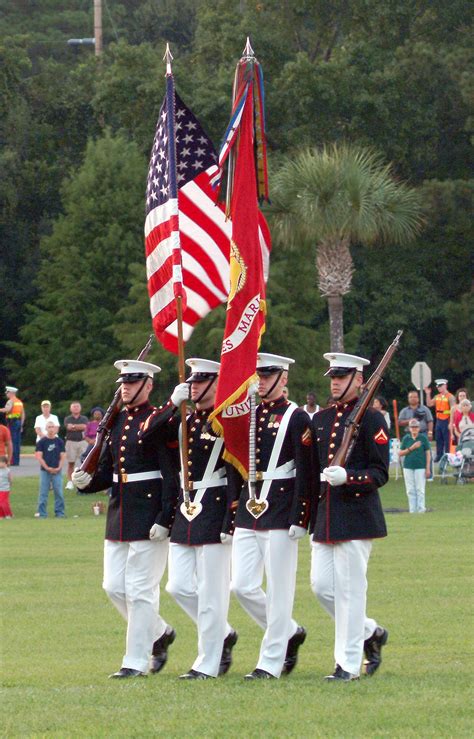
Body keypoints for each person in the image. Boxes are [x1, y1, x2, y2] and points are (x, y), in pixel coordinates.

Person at [72, 359, 189, 679]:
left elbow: (168, 469)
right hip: (120, 511)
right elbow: (108, 471)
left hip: (150, 512)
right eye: (122, 382)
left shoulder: (162, 420)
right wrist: (87, 482)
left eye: (133, 382)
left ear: (148, 385)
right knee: (112, 586)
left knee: (140, 590)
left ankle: (135, 661)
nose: (125, 387)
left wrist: (166, 516)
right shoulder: (118, 421)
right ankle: (159, 633)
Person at [229, 353, 311, 680]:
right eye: (258, 375)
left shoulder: (297, 417)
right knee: (242, 586)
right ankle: (288, 631)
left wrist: (301, 515)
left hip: (280, 506)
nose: (260, 381)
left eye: (267, 375)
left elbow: (306, 470)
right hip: (250, 507)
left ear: (284, 379)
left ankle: (270, 662)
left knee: (279, 588)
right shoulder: (248, 415)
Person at [310, 352, 389, 682]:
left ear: (359, 380)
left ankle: (347, 665)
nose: (336, 382)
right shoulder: (322, 420)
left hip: (357, 515)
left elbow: (380, 472)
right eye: (333, 377)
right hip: (327, 515)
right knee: (321, 586)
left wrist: (349, 478)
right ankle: (370, 631)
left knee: (350, 592)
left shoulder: (373, 421)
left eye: (342, 377)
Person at [163, 358, 238, 680]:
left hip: (215, 505)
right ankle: (222, 632)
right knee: (178, 586)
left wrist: (230, 518)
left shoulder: (225, 422)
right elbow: (149, 436)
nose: (193, 387)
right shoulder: (185, 420)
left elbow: (236, 472)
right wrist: (171, 405)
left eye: (200, 382)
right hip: (186, 506)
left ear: (215, 385)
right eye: (191, 382)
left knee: (212, 593)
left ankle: (208, 660)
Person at [35, 421, 66, 518]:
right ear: (46, 428)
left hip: (57, 471)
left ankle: (60, 513)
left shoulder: (59, 441)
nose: (51, 429)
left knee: (59, 492)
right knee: (43, 493)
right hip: (45, 471)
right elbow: (39, 456)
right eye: (49, 427)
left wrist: (59, 467)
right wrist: (47, 468)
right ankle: (42, 514)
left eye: (53, 427)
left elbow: (63, 456)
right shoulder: (42, 442)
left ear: (55, 429)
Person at [399, 419, 431, 513]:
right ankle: (412, 510)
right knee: (410, 489)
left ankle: (421, 509)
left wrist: (428, 468)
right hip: (408, 466)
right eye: (412, 427)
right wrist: (411, 448)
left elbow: (428, 453)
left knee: (420, 489)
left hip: (420, 466)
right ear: (409, 428)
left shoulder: (423, 438)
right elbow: (400, 453)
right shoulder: (406, 438)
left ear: (419, 428)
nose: (414, 429)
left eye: (416, 427)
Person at [424, 379, 455, 462]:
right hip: (438, 420)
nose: (439, 388)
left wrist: (451, 422)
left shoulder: (450, 397)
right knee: (438, 438)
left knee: (447, 439)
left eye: (440, 386)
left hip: (447, 420)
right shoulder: (437, 397)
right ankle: (439, 455)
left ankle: (448, 456)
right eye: (438, 386)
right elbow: (429, 404)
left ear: (445, 386)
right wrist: (428, 394)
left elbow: (453, 410)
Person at [64, 402, 88, 489]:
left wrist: (73, 426)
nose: (76, 408)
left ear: (80, 408)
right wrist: (78, 427)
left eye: (77, 406)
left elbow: (85, 427)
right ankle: (70, 482)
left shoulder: (84, 418)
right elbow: (68, 427)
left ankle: (84, 482)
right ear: (71, 409)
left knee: (85, 462)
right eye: (74, 407)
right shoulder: (68, 418)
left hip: (82, 442)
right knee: (71, 463)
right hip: (71, 442)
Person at [0, 386, 25, 465]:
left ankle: (12, 461)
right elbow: (23, 414)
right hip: (18, 423)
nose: (6, 393)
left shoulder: (10, 401)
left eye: (7, 392)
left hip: (12, 423)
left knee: (12, 442)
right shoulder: (19, 402)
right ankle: (16, 461)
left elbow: (7, 409)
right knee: (17, 442)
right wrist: (21, 425)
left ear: (11, 393)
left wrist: (0, 410)